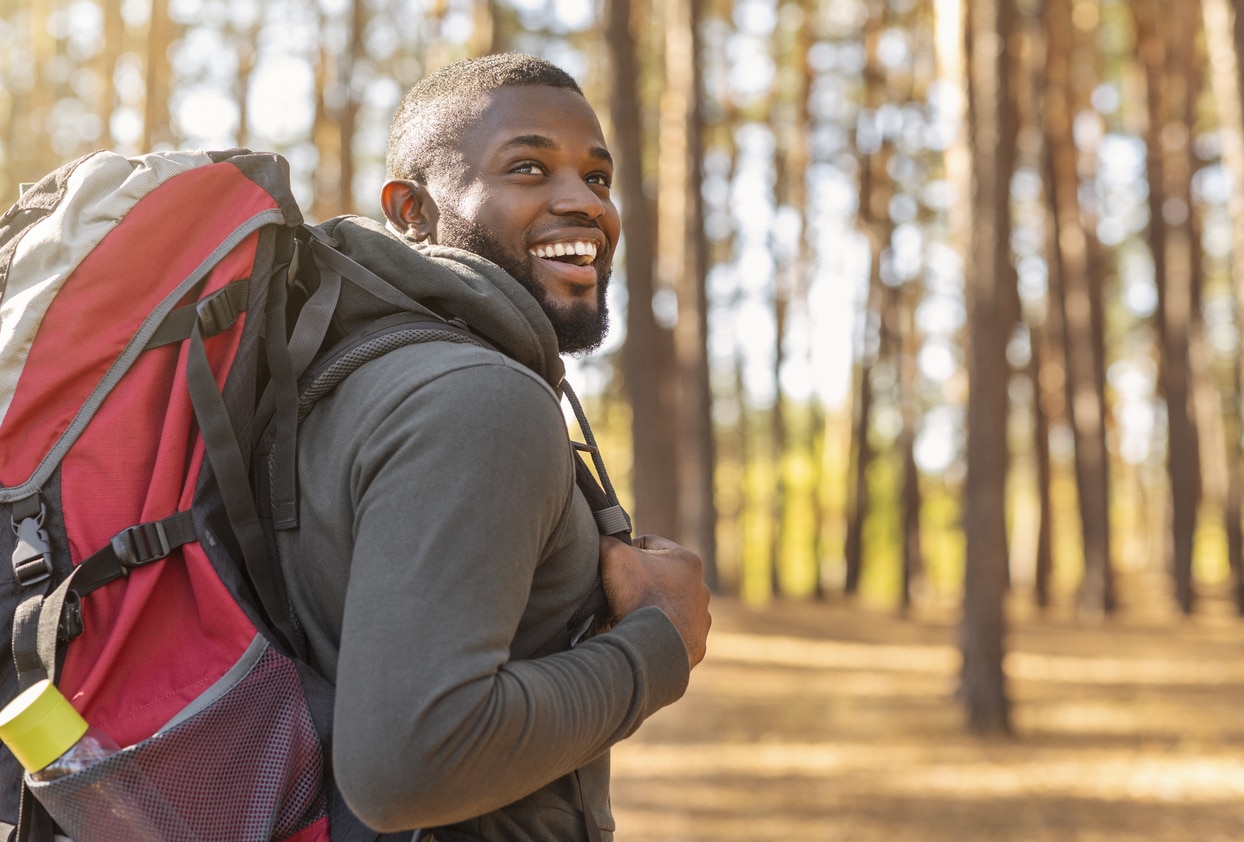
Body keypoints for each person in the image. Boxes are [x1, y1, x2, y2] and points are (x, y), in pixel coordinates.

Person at [279, 52, 713, 841]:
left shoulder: (354, 376)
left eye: (598, 178)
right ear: (412, 210)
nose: (583, 203)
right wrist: (662, 642)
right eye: (528, 168)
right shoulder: (477, 400)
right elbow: (408, 766)